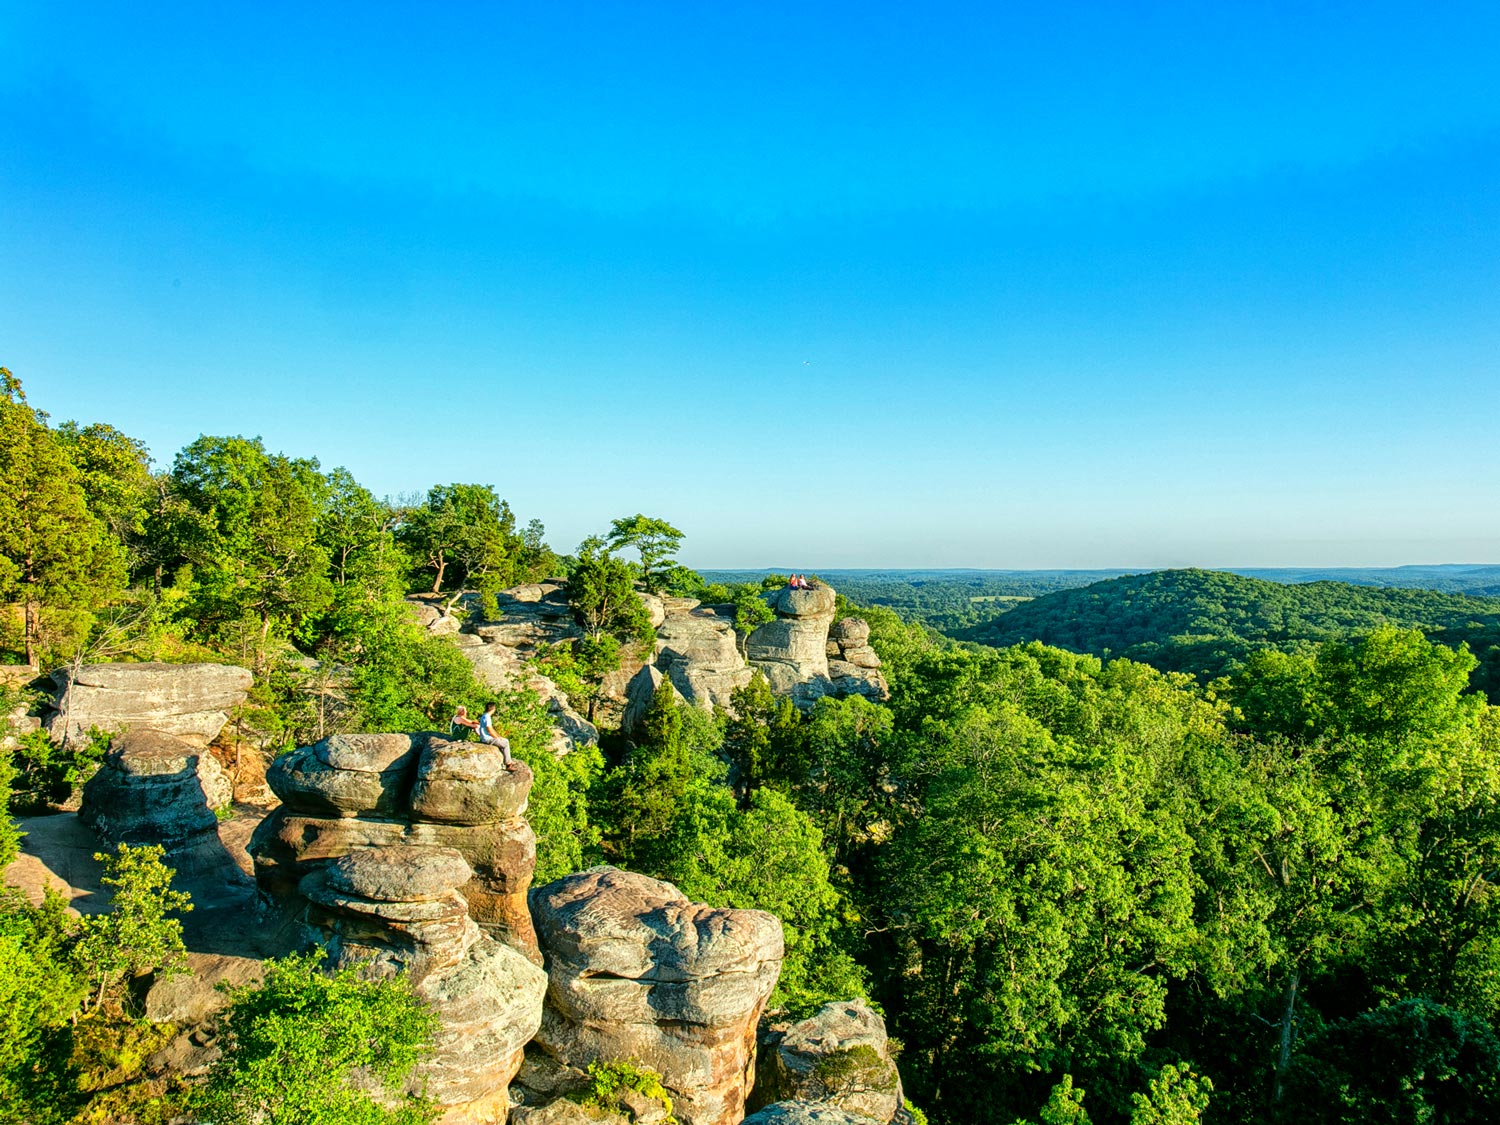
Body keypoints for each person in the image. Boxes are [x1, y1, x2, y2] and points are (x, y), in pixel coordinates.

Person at [477, 701, 519, 771]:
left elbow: (492, 729)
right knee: (505, 743)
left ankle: (506, 760)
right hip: (487, 739)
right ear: (493, 709)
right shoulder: (487, 717)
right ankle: (508, 764)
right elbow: (490, 730)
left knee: (503, 741)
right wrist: (497, 738)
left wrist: (499, 736)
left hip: (484, 738)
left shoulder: (484, 716)